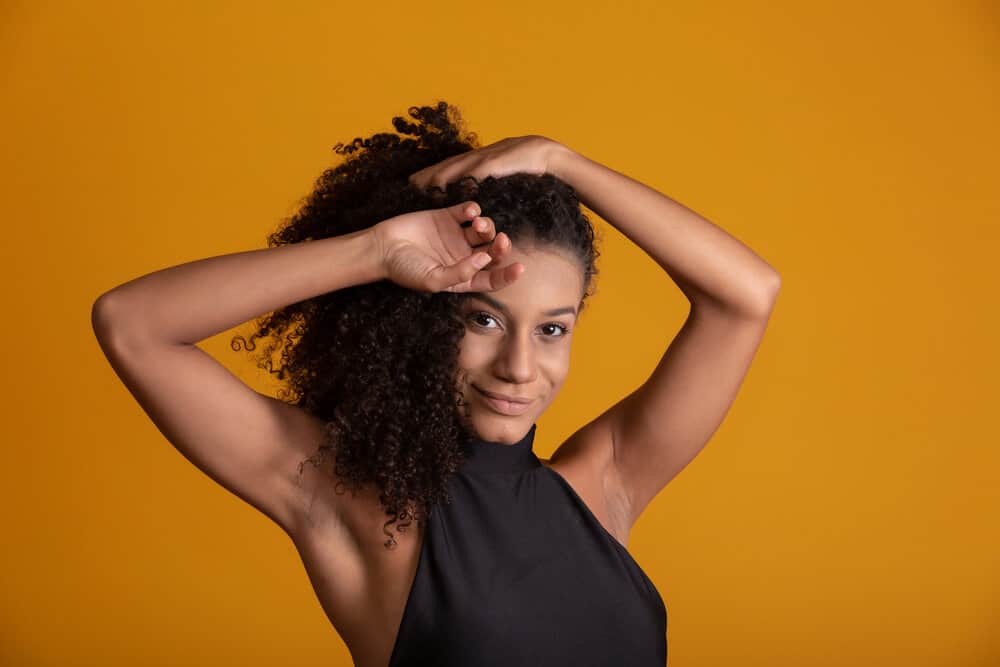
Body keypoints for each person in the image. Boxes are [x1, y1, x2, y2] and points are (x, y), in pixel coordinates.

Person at [91, 102, 780, 666]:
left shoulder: (607, 484)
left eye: (552, 329)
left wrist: (560, 160)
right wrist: (375, 253)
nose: (518, 366)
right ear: (422, 320)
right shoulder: (345, 493)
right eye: (484, 318)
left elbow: (747, 295)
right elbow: (133, 324)